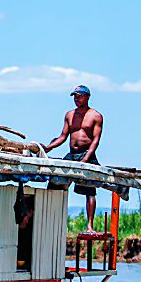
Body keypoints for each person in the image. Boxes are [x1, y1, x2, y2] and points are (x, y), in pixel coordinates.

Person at [43, 85, 105, 231]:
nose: (76, 99)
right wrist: (48, 147)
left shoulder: (96, 116)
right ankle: (51, 219)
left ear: (87, 97)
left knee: (89, 189)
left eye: (79, 96)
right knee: (55, 181)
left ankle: (90, 226)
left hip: (87, 153)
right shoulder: (69, 115)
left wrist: (86, 158)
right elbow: (63, 136)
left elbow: (96, 140)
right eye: (75, 97)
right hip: (72, 154)